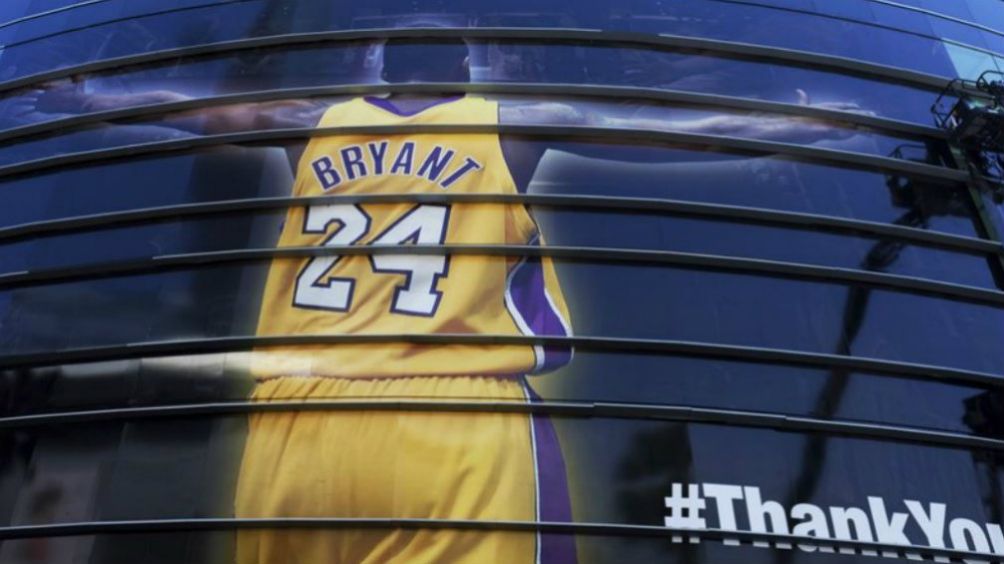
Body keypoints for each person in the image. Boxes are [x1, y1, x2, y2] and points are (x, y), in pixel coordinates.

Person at [31, 36, 870, 564]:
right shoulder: (512, 121)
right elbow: (668, 136)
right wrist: (794, 125)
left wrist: (81, 97)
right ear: (464, 70)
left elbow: (192, 112)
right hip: (451, 418)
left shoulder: (311, 118)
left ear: (379, 66)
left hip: (296, 424)